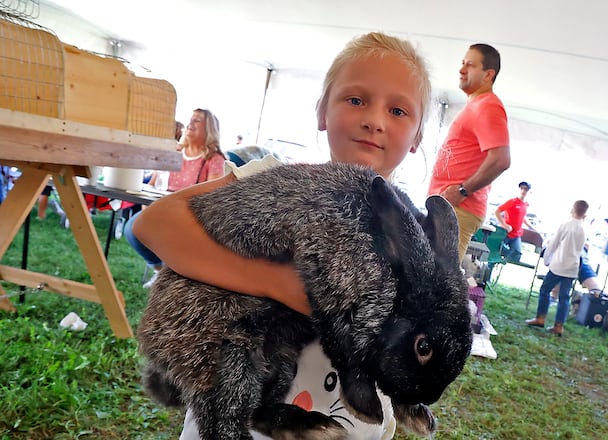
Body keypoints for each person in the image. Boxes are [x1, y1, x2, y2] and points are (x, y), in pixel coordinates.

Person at [132, 32, 431, 438]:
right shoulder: (273, 184)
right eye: (356, 100)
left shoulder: (411, 235)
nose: (374, 120)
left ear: (417, 138)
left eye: (398, 111)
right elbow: (153, 225)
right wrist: (279, 283)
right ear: (322, 112)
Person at [125, 108, 226, 288]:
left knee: (140, 229)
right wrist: (147, 207)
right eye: (190, 119)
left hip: (189, 216)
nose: (190, 124)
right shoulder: (176, 152)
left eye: (197, 121)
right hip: (161, 209)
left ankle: (170, 272)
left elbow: (214, 196)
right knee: (132, 229)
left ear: (209, 128)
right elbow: (154, 183)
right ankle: (160, 270)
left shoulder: (214, 159)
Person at [428, 43, 511, 260]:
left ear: (488, 75)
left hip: (458, 208)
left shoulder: (488, 106)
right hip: (448, 206)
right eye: (462, 63)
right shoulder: (476, 105)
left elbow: (501, 159)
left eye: (470, 65)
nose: (462, 69)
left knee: (437, 282)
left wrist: (462, 191)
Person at [526, 200, 589, 336]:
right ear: (585, 213)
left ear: (573, 209)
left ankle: (540, 318)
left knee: (545, 290)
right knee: (564, 297)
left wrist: (547, 258)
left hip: (558, 265)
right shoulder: (584, 230)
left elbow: (553, 244)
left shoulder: (565, 225)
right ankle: (559, 325)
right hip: (572, 267)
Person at [494, 181, 535, 262]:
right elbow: (497, 211)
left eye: (526, 189)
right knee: (497, 251)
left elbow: (523, 217)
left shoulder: (526, 204)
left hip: (516, 235)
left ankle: (503, 262)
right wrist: (504, 224)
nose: (523, 191)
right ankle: (492, 266)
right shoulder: (512, 201)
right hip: (506, 233)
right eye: (522, 188)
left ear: (529, 192)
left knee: (517, 254)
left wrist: (532, 227)